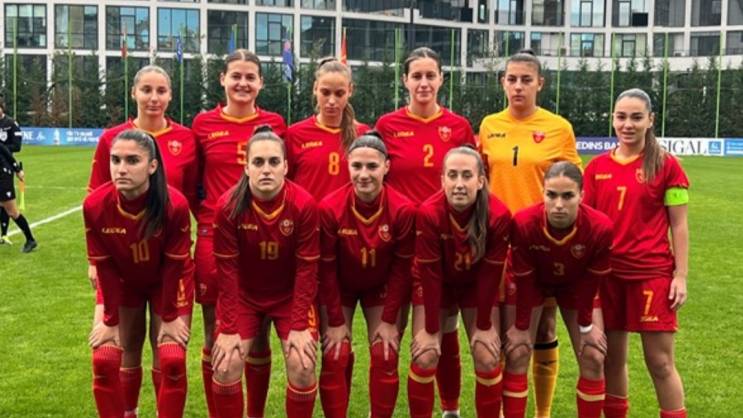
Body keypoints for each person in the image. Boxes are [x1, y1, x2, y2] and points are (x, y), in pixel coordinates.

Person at [87, 65, 197, 418]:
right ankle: (128, 411)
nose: (153, 97)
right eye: (146, 89)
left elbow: (194, 195)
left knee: (170, 353)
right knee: (115, 350)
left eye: (161, 90)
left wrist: (171, 315)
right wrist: (95, 266)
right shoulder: (112, 140)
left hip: (169, 261)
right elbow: (99, 200)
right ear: (133, 93)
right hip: (123, 264)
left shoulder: (186, 140)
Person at [479, 48, 582, 418]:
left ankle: (543, 412)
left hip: (541, 243)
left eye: (526, 79)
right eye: (512, 79)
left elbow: (573, 185)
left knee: (544, 327)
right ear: (503, 83)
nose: (518, 86)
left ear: (540, 83)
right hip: (498, 242)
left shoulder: (559, 128)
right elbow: (481, 181)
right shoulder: (489, 125)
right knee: (504, 331)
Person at [376, 47, 475, 418]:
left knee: (443, 328)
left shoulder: (459, 127)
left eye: (430, 75)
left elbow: (472, 184)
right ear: (404, 80)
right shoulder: (387, 125)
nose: (423, 82)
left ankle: (450, 409)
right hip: (397, 243)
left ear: (441, 79)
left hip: (444, 244)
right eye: (416, 76)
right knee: (391, 326)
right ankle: (381, 408)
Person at [191, 49, 287, 418]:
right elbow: (193, 182)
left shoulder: (275, 124)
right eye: (236, 76)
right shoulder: (203, 124)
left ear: (261, 82)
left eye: (250, 77)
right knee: (215, 329)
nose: (243, 83)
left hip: (263, 235)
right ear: (223, 79)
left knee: (258, 330)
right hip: (215, 236)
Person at [583, 88, 689, 418]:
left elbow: (679, 225)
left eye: (636, 117)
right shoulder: (596, 167)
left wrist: (680, 276)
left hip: (651, 274)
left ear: (650, 120)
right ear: (613, 119)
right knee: (612, 360)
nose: (627, 124)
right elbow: (588, 226)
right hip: (608, 276)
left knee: (660, 362)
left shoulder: (666, 165)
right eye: (621, 117)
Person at [210, 127, 319, 418]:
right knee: (226, 364)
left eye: (273, 162)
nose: (266, 169)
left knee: (303, 365)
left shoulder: (304, 205)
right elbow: (227, 272)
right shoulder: (228, 206)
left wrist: (299, 325)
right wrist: (229, 329)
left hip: (289, 297)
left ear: (286, 166)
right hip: (244, 296)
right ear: (246, 167)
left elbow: (307, 269)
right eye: (258, 162)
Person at [502, 161, 613, 418]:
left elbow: (591, 282)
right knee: (517, 351)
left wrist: (586, 326)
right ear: (542, 193)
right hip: (533, 284)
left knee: (593, 355)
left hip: (577, 285)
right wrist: (521, 326)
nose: (559, 204)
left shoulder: (600, 227)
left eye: (568, 196)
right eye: (551, 195)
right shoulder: (524, 223)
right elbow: (525, 280)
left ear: (582, 195)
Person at [408, 146, 511, 418]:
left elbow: (490, 275)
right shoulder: (429, 212)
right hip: (437, 284)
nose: (459, 184)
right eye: (452, 175)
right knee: (425, 354)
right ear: (442, 180)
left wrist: (484, 326)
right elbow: (430, 275)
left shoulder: (499, 215)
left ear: (481, 180)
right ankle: (450, 411)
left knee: (487, 355)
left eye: (467, 175)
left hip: (476, 285)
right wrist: (431, 329)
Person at [317, 132, 415, 418]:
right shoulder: (330, 207)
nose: (363, 174)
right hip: (341, 286)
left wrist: (388, 320)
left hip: (380, 286)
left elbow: (401, 270)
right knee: (335, 352)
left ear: (386, 166)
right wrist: (336, 321)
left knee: (386, 352)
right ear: (347, 166)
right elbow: (326, 268)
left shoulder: (403, 210)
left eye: (372, 166)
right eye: (356, 166)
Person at [285, 57, 370, 202]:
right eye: (325, 92)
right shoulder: (295, 134)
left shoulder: (363, 135)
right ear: (315, 88)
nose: (331, 101)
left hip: (349, 216)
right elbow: (286, 183)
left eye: (339, 94)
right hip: (309, 215)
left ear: (350, 90)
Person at [0, 99, 36, 252]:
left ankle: (30, 239)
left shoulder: (10, 123)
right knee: (3, 206)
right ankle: (4, 234)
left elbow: (8, 149)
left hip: (3, 172)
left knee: (12, 211)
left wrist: (17, 169)